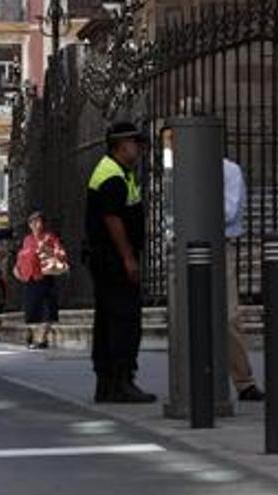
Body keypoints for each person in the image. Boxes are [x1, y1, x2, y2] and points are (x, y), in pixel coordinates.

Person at [85, 121, 156, 403]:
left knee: (107, 319)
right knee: (124, 320)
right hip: (113, 260)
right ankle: (122, 380)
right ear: (120, 144)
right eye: (134, 142)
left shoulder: (116, 171)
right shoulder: (112, 176)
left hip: (105, 258)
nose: (138, 148)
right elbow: (112, 219)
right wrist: (128, 258)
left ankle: (106, 383)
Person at [223, 158, 265, 402]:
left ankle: (244, 381)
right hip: (185, 244)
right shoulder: (179, 168)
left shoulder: (229, 170)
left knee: (228, 317)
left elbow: (229, 212)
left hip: (220, 244)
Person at [13, 211, 67, 349]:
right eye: (33, 222)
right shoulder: (27, 239)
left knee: (46, 311)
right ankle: (32, 337)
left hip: (44, 278)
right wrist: (17, 269)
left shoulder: (49, 237)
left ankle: (42, 339)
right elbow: (22, 257)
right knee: (31, 310)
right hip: (29, 278)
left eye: (39, 221)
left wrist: (48, 249)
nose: (36, 225)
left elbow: (61, 253)